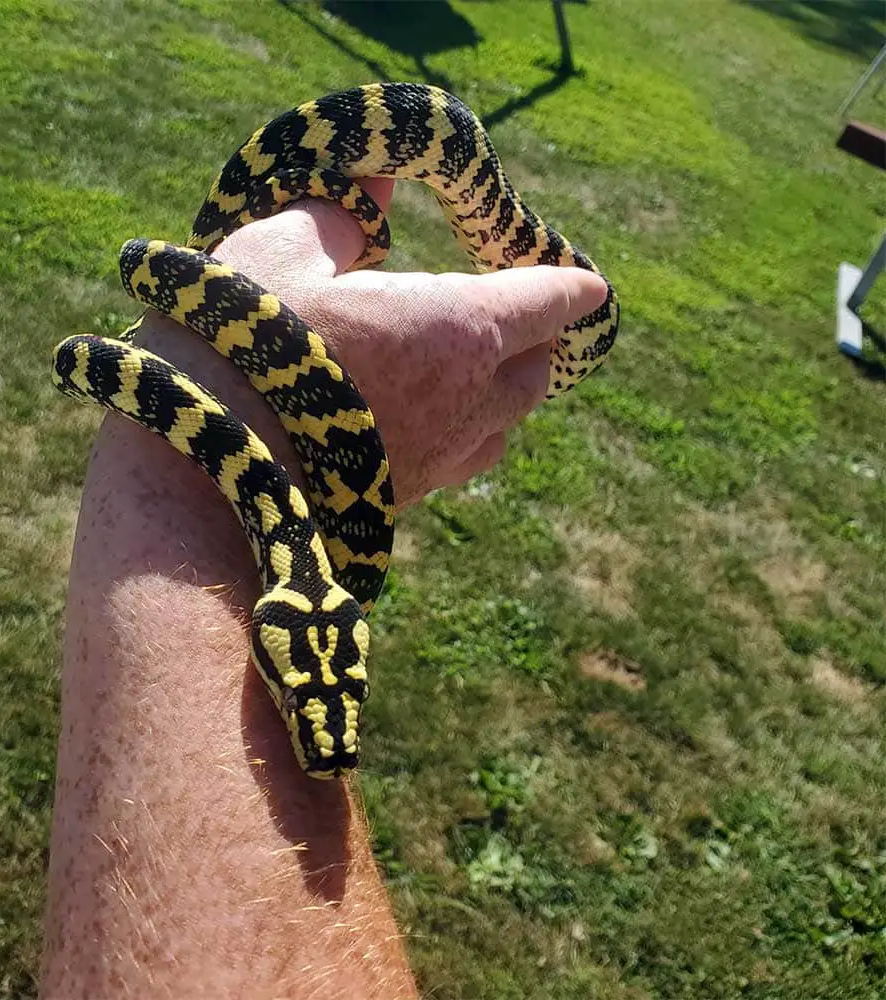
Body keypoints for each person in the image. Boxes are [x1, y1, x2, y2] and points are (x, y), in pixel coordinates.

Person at [39, 177, 608, 998]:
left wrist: (215, 392)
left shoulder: (314, 565)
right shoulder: (335, 565)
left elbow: (92, 358)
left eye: (293, 683)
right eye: (297, 683)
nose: (322, 733)